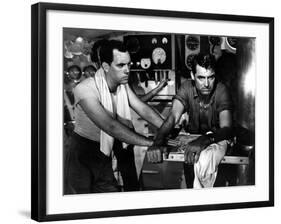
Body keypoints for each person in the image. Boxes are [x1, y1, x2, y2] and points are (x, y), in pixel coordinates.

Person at [64, 40, 164, 194]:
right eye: (121, 65)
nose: (127, 70)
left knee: (110, 197)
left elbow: (142, 108)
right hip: (83, 152)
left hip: (104, 152)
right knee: (80, 204)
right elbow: (110, 125)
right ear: (105, 66)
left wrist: (167, 129)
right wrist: (151, 143)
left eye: (128, 65)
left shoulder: (122, 86)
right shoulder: (84, 89)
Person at [147, 53, 233, 188]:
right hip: (190, 145)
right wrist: (158, 141)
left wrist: (204, 140)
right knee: (190, 186)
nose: (206, 84)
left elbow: (226, 128)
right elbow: (173, 117)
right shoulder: (186, 87)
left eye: (210, 77)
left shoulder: (221, 90)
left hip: (214, 141)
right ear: (193, 76)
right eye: (201, 78)